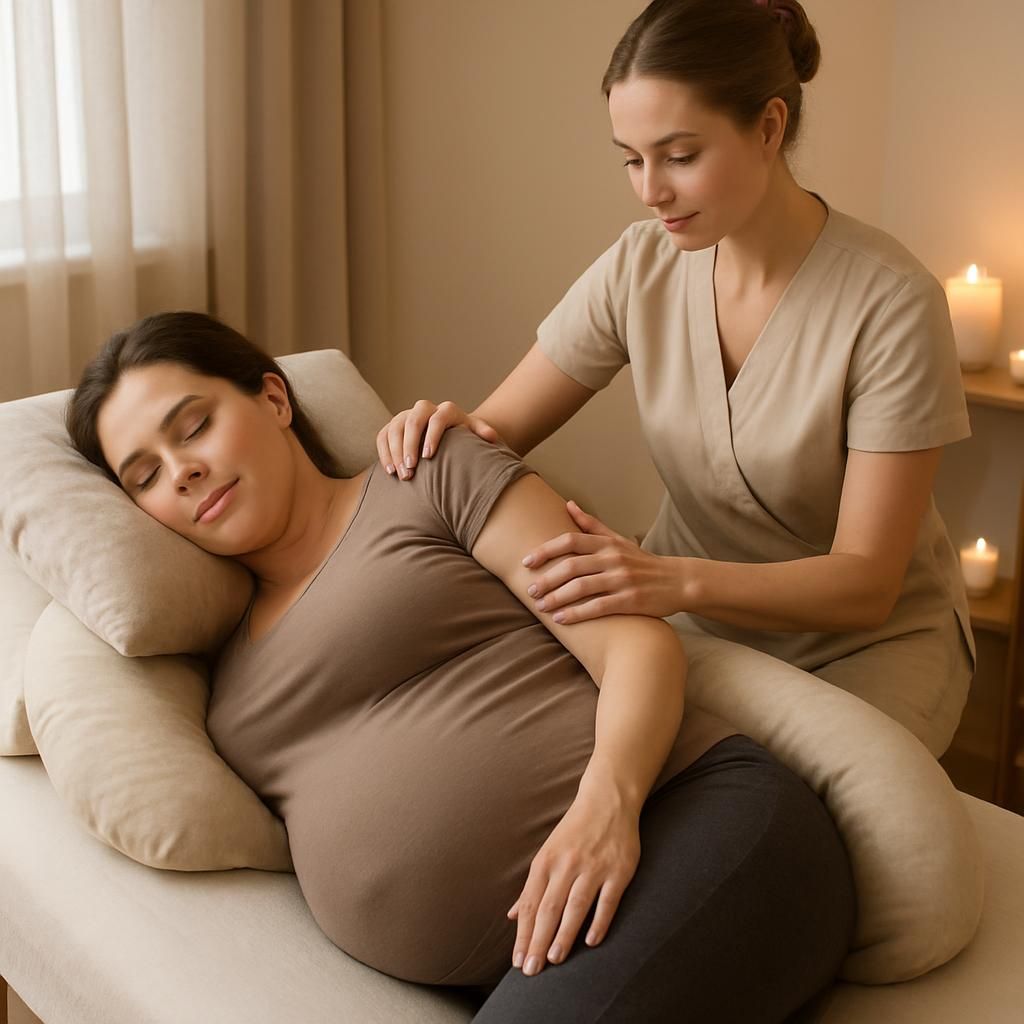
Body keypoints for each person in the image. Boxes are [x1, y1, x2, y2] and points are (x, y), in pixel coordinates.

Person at [66, 309, 856, 1022]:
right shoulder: (221, 670)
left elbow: (634, 642)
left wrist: (604, 811)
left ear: (274, 400)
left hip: (685, 826)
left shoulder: (425, 474)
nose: (182, 471)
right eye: (145, 475)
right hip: (544, 948)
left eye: (194, 426)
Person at [378, 0, 975, 760]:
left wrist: (672, 581)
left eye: (680, 155)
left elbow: (867, 584)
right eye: (631, 157)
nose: (649, 189)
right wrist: (436, 432)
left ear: (769, 127)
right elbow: (494, 433)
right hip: (686, 621)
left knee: (819, 832)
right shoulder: (641, 264)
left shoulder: (892, 302)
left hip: (862, 647)